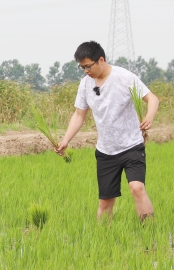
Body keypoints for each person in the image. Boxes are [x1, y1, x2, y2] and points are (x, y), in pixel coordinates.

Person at [55, 41, 159, 222]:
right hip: (106, 151)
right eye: (82, 67)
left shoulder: (124, 77)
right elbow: (79, 115)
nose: (86, 71)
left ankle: (150, 231)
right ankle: (104, 235)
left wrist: (149, 117)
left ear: (101, 60)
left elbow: (152, 99)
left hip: (131, 146)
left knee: (137, 188)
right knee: (105, 201)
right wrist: (66, 140)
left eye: (88, 66)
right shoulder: (85, 84)